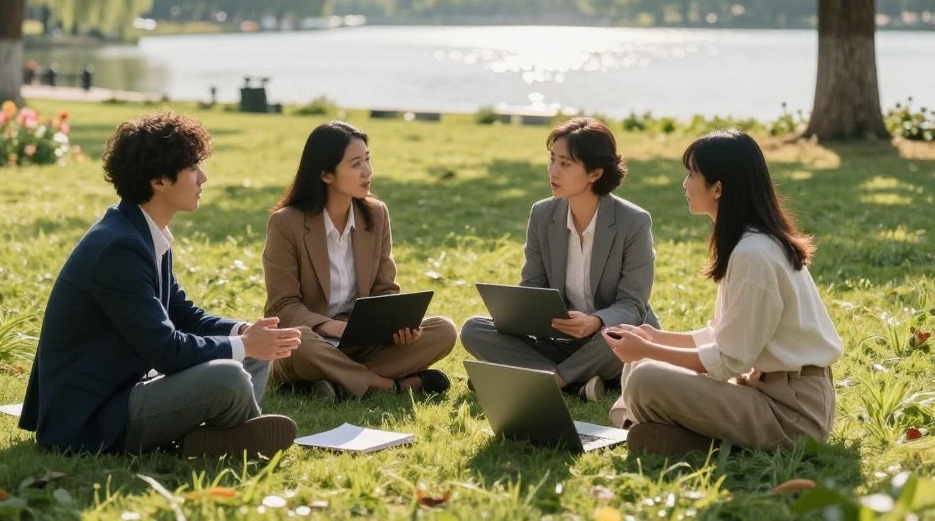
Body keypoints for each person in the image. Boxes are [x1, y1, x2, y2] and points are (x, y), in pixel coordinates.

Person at [20, 113, 302, 457]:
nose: (203, 178)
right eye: (192, 169)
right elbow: (167, 351)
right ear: (159, 181)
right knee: (230, 374)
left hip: (127, 385)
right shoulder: (118, 247)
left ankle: (222, 438)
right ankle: (234, 438)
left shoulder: (141, 232)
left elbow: (183, 313)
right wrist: (244, 344)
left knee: (254, 356)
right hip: (90, 417)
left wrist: (244, 331)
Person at [603, 129, 843, 457]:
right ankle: (673, 436)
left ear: (717, 188)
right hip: (761, 391)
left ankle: (665, 433)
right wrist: (653, 340)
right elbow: (722, 337)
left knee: (645, 377)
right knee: (640, 365)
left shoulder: (754, 254)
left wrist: (650, 350)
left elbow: (730, 359)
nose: (684, 184)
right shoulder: (747, 244)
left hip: (793, 414)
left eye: (691, 174)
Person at [460, 117, 658, 401]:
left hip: (608, 338)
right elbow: (533, 286)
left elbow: (633, 305)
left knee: (626, 335)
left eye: (565, 164)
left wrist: (594, 321)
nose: (553, 170)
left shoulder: (633, 222)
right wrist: (521, 312)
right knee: (473, 329)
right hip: (558, 338)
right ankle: (577, 383)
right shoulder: (542, 215)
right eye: (552, 159)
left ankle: (552, 379)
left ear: (595, 173)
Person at [263, 121, 457, 400]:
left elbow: (384, 289)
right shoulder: (286, 223)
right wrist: (328, 326)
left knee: (444, 330)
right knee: (301, 343)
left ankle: (338, 382)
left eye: (367, 160)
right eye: (355, 164)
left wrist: (399, 326)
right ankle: (392, 385)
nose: (367, 171)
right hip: (313, 340)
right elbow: (281, 306)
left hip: (362, 339)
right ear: (326, 174)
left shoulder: (376, 215)